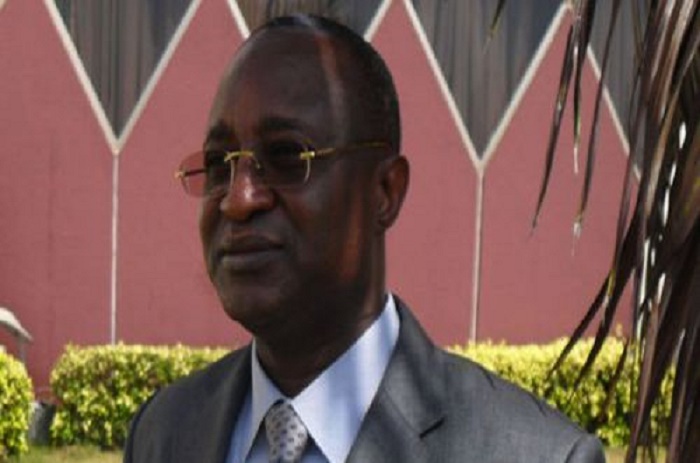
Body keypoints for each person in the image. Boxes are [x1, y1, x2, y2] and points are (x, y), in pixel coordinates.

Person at [123, 14, 605, 463]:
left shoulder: (535, 454)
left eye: (287, 156)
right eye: (218, 164)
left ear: (385, 192)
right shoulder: (164, 432)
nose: (238, 199)